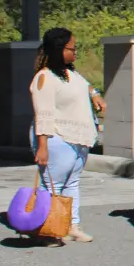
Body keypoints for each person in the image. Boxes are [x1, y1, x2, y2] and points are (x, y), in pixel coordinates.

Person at [28, 27, 103, 246]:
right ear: (59, 49)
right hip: (57, 138)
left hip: (78, 139)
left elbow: (85, 86)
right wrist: (42, 146)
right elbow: (43, 112)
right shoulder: (45, 77)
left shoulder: (70, 74)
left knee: (72, 183)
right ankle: (47, 230)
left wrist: (96, 95)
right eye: (72, 48)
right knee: (53, 186)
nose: (75, 52)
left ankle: (72, 226)